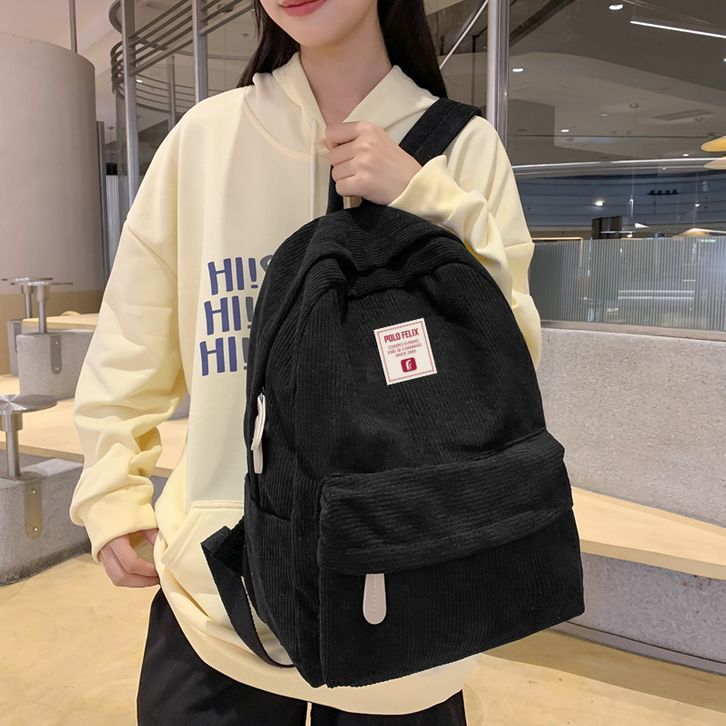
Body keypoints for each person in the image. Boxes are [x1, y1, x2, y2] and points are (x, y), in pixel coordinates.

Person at [68, 0, 542, 723]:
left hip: (411, 586)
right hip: (221, 593)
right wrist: (110, 489)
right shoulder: (207, 140)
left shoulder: (463, 147)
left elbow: (512, 362)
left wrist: (422, 198)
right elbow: (133, 337)